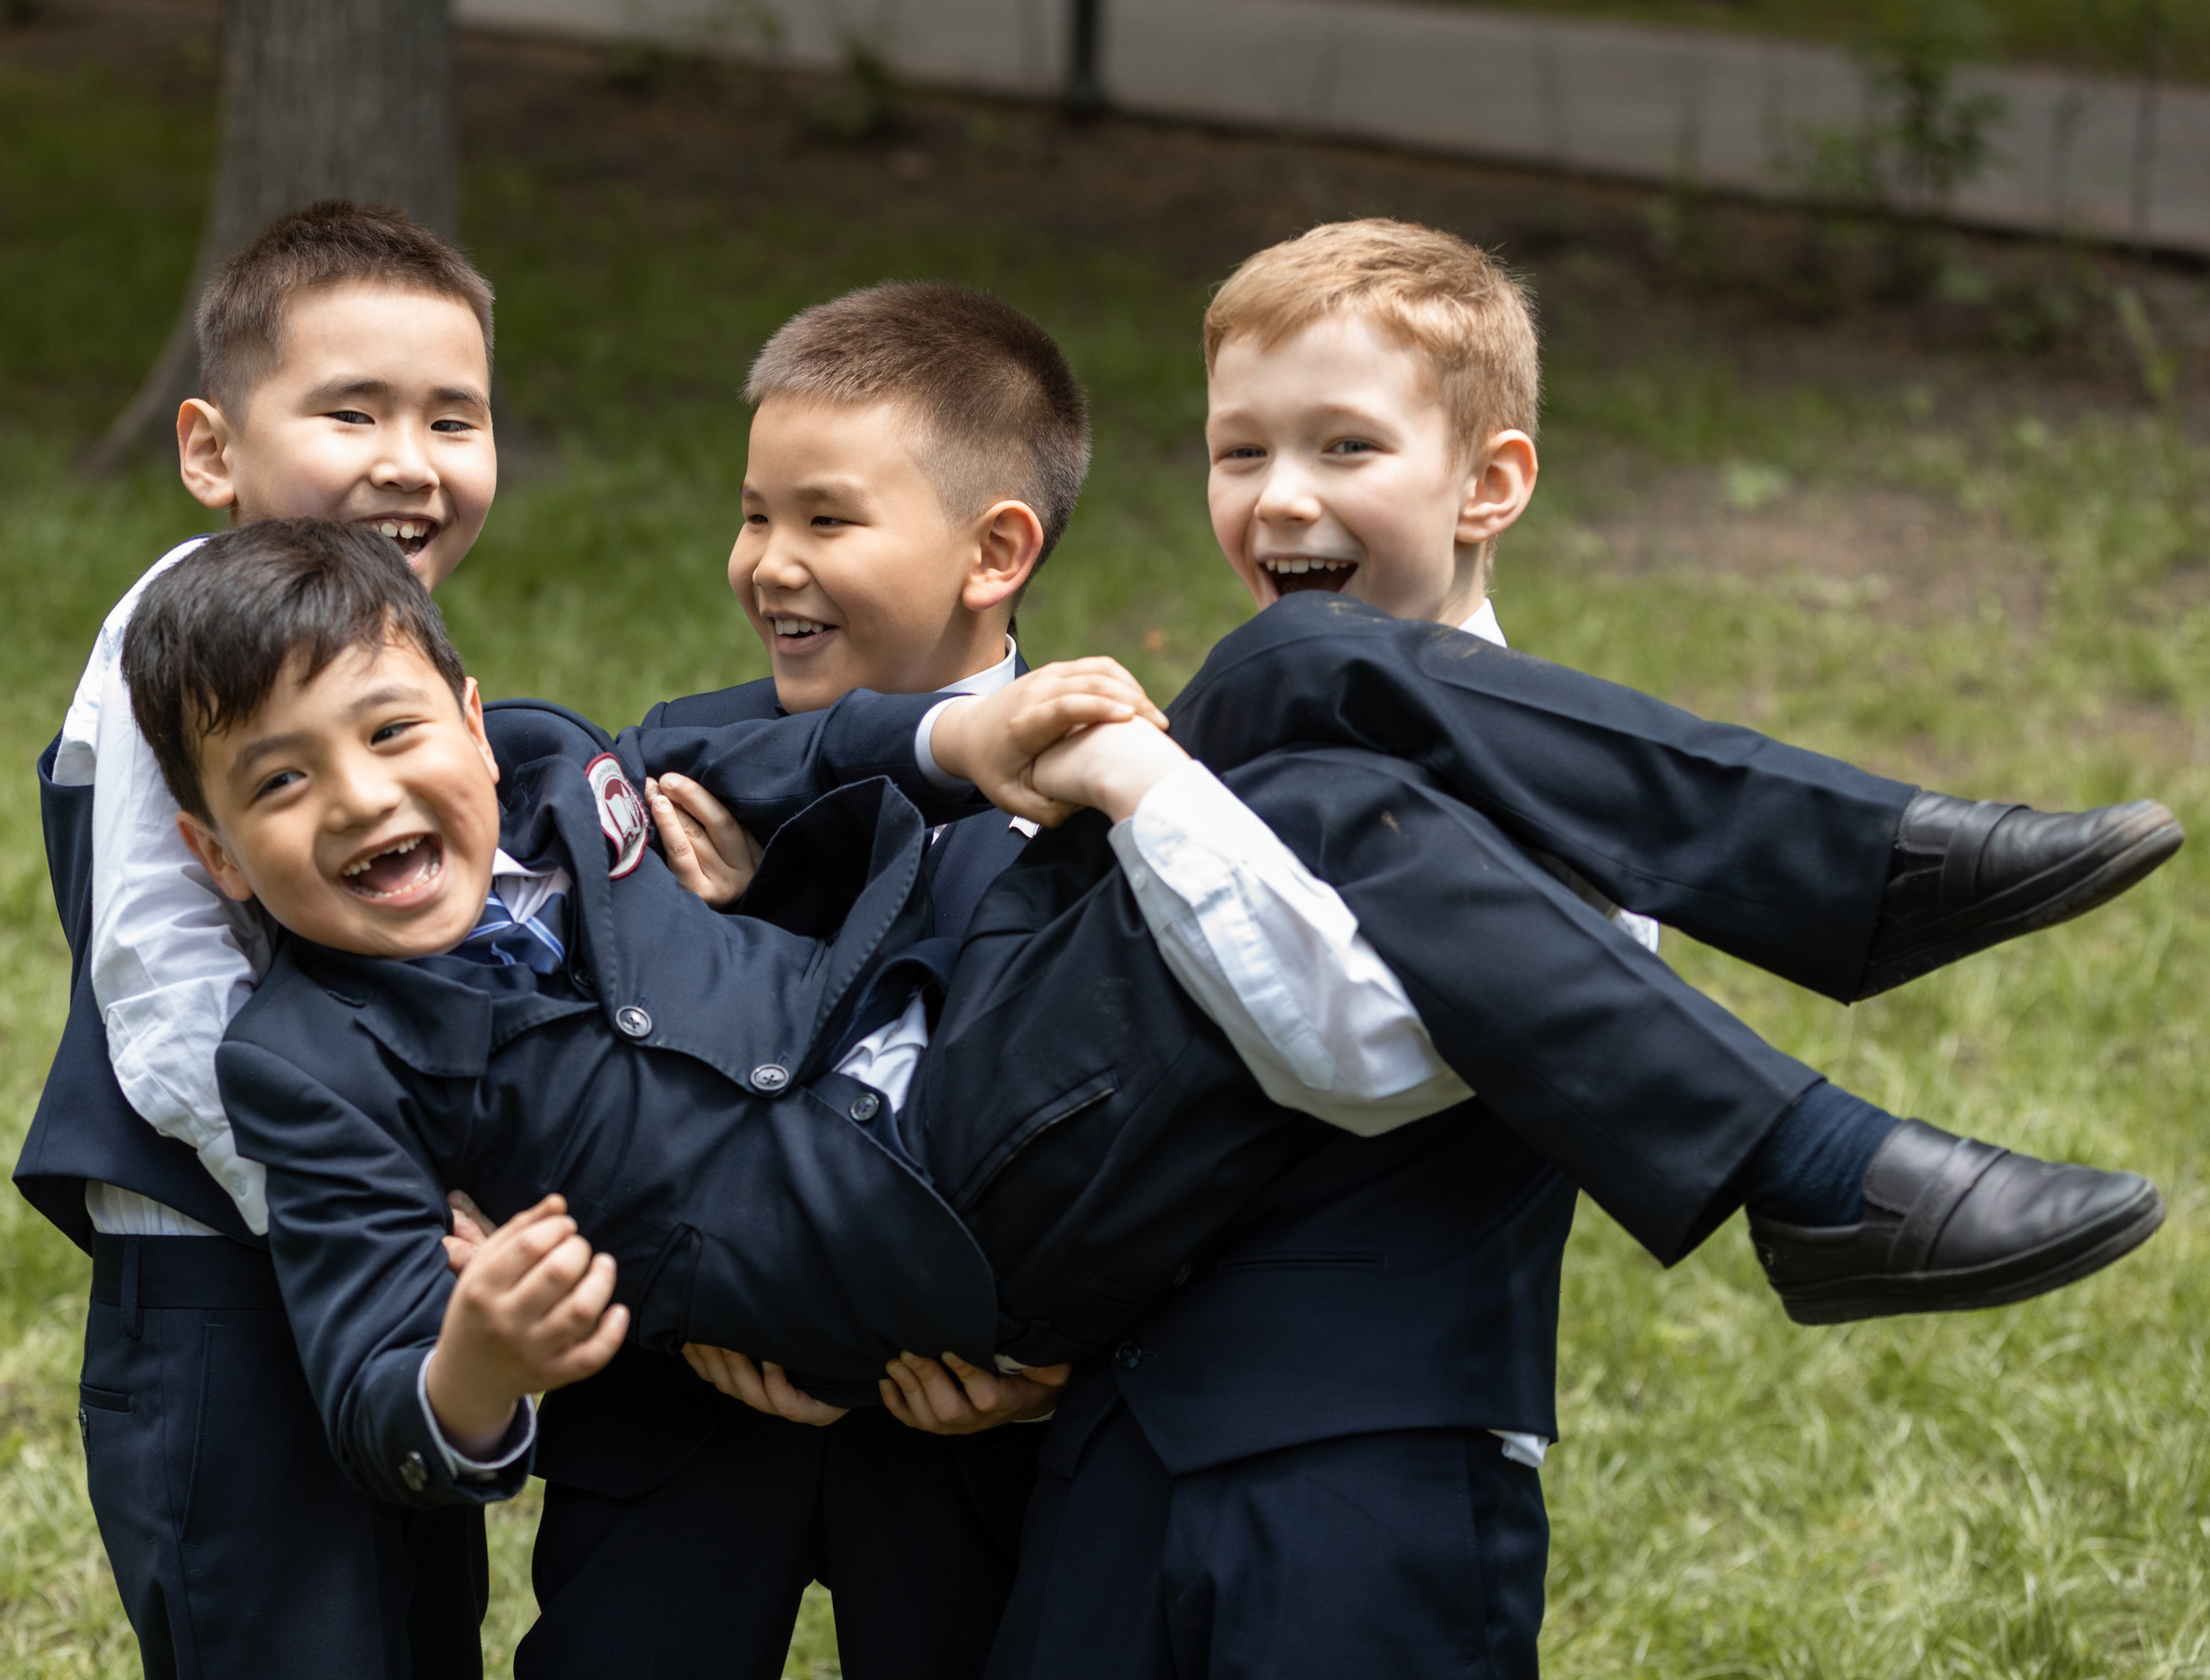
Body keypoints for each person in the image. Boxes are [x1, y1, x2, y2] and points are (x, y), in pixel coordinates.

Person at [123, 522, 2166, 1633]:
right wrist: (484, 1360)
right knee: (1329, 780)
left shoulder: (574, 757)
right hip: (927, 1211)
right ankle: (1809, 1152)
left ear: (474, 720)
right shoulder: (307, 1045)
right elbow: (376, 1364)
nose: (365, 802)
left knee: (1289, 678)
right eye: (278, 789)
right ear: (216, 854)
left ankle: (1858, 874)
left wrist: (963, 744)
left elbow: (803, 751)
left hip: (957, 1040)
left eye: (393, 733)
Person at [975, 217, 2182, 1679]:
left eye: (1346, 448)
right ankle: (1853, 996)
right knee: (1292, 677)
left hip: (1373, 1470)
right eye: (1242, 453)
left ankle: (1848, 1037)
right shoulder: (1219, 742)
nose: (1282, 499)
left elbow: (1361, 1056)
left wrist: (1147, 788)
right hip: (1109, 1434)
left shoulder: (1579, 815)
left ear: (1491, 483)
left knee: (1296, 700)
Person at [510, 284, 1088, 1680]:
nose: (768, 562)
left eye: (826, 520)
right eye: (756, 513)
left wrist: (1046, 1377)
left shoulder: (1095, 802)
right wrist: (683, 1296)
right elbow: (563, 1064)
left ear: (995, 549)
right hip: (683, 1417)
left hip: (967, 1441)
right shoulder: (665, 773)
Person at [22, 200, 537, 1680]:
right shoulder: (177, 649)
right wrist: (365, 1220)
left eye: (455, 417)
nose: (408, 460)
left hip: (355, 1272)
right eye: (351, 410)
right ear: (210, 450)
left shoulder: (367, 641)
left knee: (409, 1624)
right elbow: (170, 998)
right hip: (230, 1288)